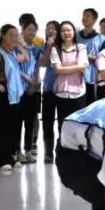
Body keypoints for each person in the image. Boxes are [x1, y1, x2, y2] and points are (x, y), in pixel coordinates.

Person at [0, 24, 26, 172]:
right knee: (0, 128)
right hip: (2, 93)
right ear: (3, 36)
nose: (14, 37)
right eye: (11, 35)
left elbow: (25, 57)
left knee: (11, 127)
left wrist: (19, 45)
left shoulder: (12, 52)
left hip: (13, 95)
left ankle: (9, 157)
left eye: (16, 35)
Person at [50, 20, 89, 134]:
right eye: (63, 30)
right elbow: (57, 69)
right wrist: (77, 67)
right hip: (61, 92)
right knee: (62, 125)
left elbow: (83, 67)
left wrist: (63, 69)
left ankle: (76, 146)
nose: (66, 33)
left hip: (78, 92)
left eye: (69, 30)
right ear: (59, 33)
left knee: (78, 125)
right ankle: (62, 145)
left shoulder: (81, 48)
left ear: (74, 32)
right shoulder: (55, 49)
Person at [17, 19, 44, 162]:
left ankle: (28, 150)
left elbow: (38, 66)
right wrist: (28, 80)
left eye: (34, 30)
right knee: (17, 122)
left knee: (29, 122)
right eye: (29, 29)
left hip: (32, 90)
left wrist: (34, 84)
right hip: (19, 89)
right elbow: (14, 67)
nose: (32, 33)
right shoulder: (16, 47)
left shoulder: (36, 49)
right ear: (22, 30)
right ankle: (17, 151)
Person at [40, 20, 60, 163]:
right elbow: (44, 63)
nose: (50, 31)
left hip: (63, 88)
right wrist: (48, 46)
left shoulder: (64, 45)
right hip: (48, 87)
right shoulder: (45, 45)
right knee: (47, 121)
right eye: (48, 28)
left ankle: (60, 150)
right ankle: (48, 152)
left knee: (62, 121)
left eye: (53, 28)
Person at [77, 8, 105, 102]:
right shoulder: (75, 36)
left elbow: (104, 61)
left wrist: (87, 57)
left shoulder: (102, 39)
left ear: (94, 20)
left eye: (88, 16)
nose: (84, 18)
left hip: (93, 79)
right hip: (76, 78)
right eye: (83, 15)